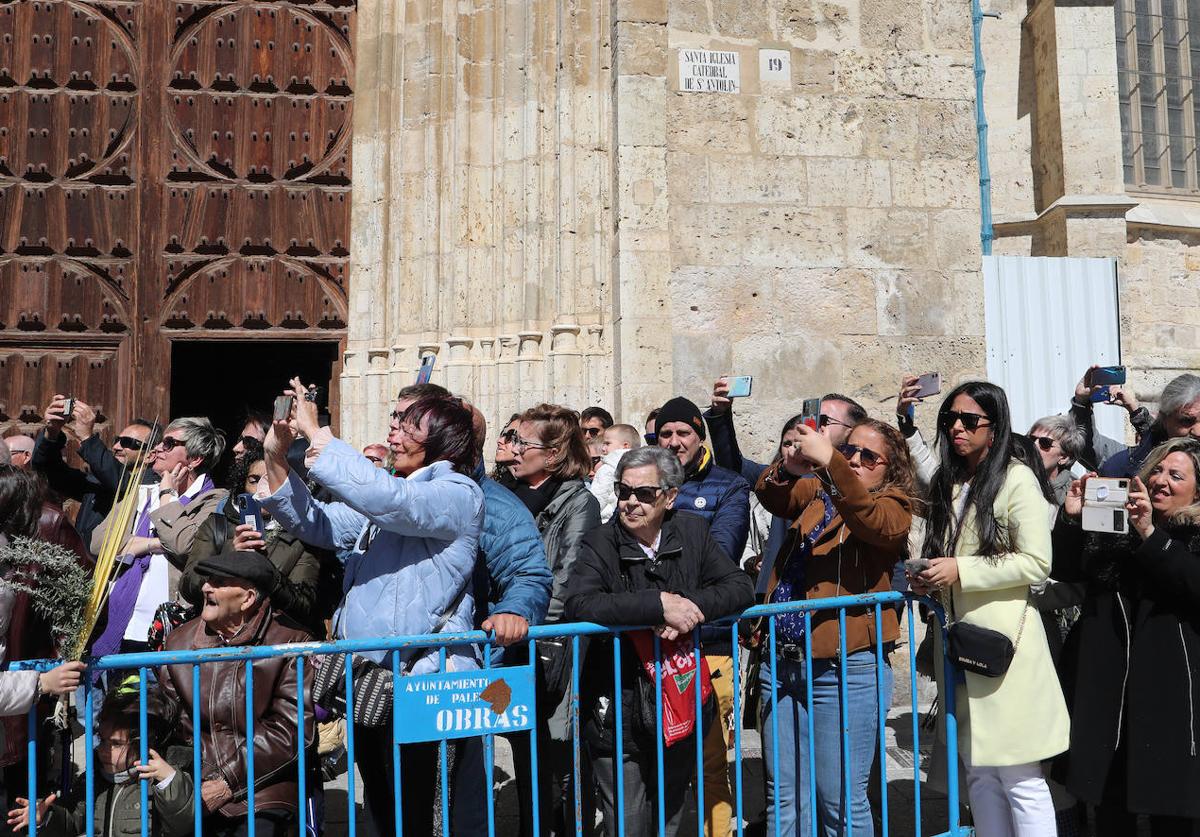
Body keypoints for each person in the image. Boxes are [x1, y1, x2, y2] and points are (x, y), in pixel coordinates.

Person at [259, 381, 482, 836]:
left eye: (407, 426)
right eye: (394, 422)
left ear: (439, 438)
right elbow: (316, 524)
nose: (394, 434)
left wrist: (319, 435)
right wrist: (277, 456)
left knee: (421, 814)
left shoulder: (458, 492)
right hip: (368, 681)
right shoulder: (390, 491)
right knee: (383, 806)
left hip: (424, 681)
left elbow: (394, 503)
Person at [567, 446, 754, 837]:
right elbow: (580, 602)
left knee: (669, 818)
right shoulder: (599, 542)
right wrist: (656, 606)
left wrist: (687, 608)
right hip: (618, 704)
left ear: (669, 496)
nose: (631, 502)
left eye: (644, 493)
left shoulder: (692, 531)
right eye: (623, 491)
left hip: (679, 700)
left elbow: (739, 588)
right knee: (628, 823)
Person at [910, 381, 1069, 836]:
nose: (957, 428)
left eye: (969, 421)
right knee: (977, 772)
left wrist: (962, 570)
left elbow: (1037, 562)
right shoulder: (948, 481)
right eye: (950, 420)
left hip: (1004, 645)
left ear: (995, 428)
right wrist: (928, 578)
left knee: (1020, 776)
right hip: (957, 643)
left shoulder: (1017, 478)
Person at [755, 418, 916, 837]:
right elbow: (775, 496)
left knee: (840, 800)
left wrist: (832, 465)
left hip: (845, 668)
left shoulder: (895, 505)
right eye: (849, 451)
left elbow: (868, 517)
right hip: (784, 659)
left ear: (890, 468)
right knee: (783, 794)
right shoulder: (819, 491)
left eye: (868, 456)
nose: (855, 460)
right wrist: (789, 466)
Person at [1052, 438, 1200, 836]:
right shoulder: (1118, 526)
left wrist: (1151, 532)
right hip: (1112, 689)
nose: (1161, 481)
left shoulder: (1191, 534)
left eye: (1176, 475)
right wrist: (1070, 520)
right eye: (1157, 471)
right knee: (1111, 803)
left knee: (1175, 809)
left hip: (1174, 694)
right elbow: (1069, 570)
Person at [157, 550, 314, 837]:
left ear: (248, 598)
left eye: (219, 581)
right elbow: (170, 717)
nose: (206, 587)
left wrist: (227, 782)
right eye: (207, 579)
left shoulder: (291, 641)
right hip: (195, 785)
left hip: (263, 788)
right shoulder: (178, 642)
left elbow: (289, 731)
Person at [451, 403, 554, 837]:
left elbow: (530, 572)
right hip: (401, 670)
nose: (399, 434)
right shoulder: (402, 492)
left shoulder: (494, 505)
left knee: (462, 792)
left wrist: (513, 610)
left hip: (469, 668)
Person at [655, 395, 750, 837]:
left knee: (712, 759)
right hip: (652, 645)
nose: (674, 442)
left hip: (710, 642)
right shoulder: (642, 485)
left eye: (684, 433)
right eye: (666, 434)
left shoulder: (728, 486)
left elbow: (720, 558)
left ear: (699, 436)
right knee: (657, 757)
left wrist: (666, 597)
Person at [508, 403, 602, 835]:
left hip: (551, 642)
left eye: (520, 443)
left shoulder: (577, 501)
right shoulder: (504, 494)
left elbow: (568, 575)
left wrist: (526, 620)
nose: (510, 450)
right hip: (511, 641)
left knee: (560, 757)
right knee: (527, 753)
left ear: (551, 454)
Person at [89, 417, 227, 659]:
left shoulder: (215, 500)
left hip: (172, 635)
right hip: (122, 628)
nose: (157, 449)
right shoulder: (142, 493)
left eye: (169, 443)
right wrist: (154, 544)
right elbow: (99, 543)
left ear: (194, 459)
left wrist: (166, 495)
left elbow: (183, 545)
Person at [183, 447, 326, 638]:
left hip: (275, 647)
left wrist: (261, 566)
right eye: (254, 480)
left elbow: (303, 605)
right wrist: (232, 556)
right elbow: (189, 587)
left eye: (273, 478)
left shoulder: (305, 533)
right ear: (242, 484)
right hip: (221, 642)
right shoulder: (216, 525)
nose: (262, 489)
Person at [7, 692, 193, 837]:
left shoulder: (157, 782)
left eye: (116, 744)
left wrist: (170, 781)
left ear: (145, 744)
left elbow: (182, 823)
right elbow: (73, 820)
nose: (104, 750)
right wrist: (46, 816)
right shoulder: (95, 779)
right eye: (102, 740)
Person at [32, 396, 158, 549]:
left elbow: (123, 484)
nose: (117, 446)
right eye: (117, 440)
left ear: (149, 456)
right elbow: (50, 473)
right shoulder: (100, 482)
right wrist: (52, 433)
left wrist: (87, 437)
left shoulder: (153, 485)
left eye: (128, 443)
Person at [1097, 373, 1200, 478]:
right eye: (1186, 421)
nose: (1198, 432)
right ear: (1164, 419)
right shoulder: (1126, 467)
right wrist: (1081, 402)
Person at [1068, 366, 1154, 471]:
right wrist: (1081, 402)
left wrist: (1134, 409)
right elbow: (1085, 446)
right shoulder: (1129, 459)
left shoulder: (1169, 456)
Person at [1027, 414, 1086, 507]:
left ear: (1064, 457)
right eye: (1031, 439)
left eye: (1045, 443)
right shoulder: (1013, 477)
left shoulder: (1074, 493)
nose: (1034, 445)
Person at [589, 424, 642, 523]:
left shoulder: (606, 469)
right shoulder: (640, 467)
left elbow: (595, 500)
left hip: (603, 522)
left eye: (607, 443)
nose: (603, 448)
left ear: (625, 446)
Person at [493, 413, 521, 486]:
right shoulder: (499, 483)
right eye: (503, 434)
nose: (499, 440)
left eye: (509, 436)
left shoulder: (539, 491)